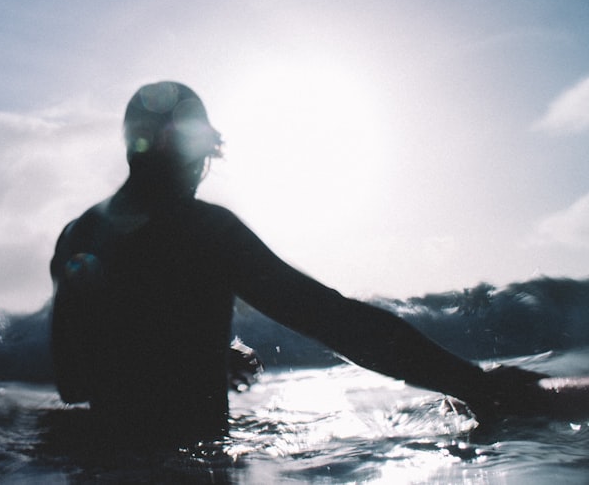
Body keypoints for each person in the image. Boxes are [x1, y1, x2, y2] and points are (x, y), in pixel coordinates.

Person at [49, 81, 548, 445]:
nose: (204, 169)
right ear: (178, 145)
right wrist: (475, 385)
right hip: (189, 463)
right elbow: (333, 320)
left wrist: (194, 354)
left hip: (100, 463)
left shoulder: (77, 235)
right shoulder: (206, 230)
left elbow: (73, 382)